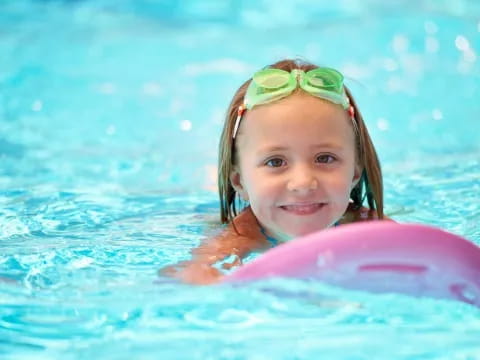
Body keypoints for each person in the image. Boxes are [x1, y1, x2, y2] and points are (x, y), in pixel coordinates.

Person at [160, 59, 389, 284]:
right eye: (275, 162)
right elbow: (192, 276)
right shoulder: (242, 236)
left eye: (325, 158)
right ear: (239, 182)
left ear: (355, 173)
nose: (302, 182)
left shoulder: (366, 226)